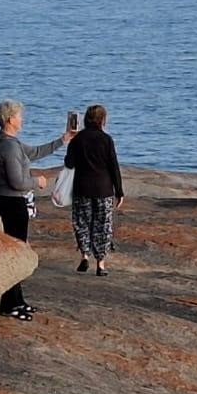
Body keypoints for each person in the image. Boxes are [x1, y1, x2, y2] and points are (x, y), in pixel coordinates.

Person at [0, 99, 74, 320]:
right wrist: (38, 182)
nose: (22, 119)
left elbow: (33, 153)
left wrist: (62, 141)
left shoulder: (7, 142)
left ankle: (17, 300)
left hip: (8, 200)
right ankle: (9, 304)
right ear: (10, 119)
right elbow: (17, 181)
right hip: (12, 202)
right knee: (16, 253)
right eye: (19, 116)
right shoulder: (8, 146)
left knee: (16, 250)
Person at [64, 103, 124, 275]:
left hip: (82, 188)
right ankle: (101, 264)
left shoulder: (78, 140)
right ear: (102, 120)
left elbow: (69, 163)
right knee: (103, 226)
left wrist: (71, 142)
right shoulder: (106, 140)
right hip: (103, 189)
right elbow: (114, 166)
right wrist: (119, 191)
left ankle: (84, 255)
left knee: (82, 223)